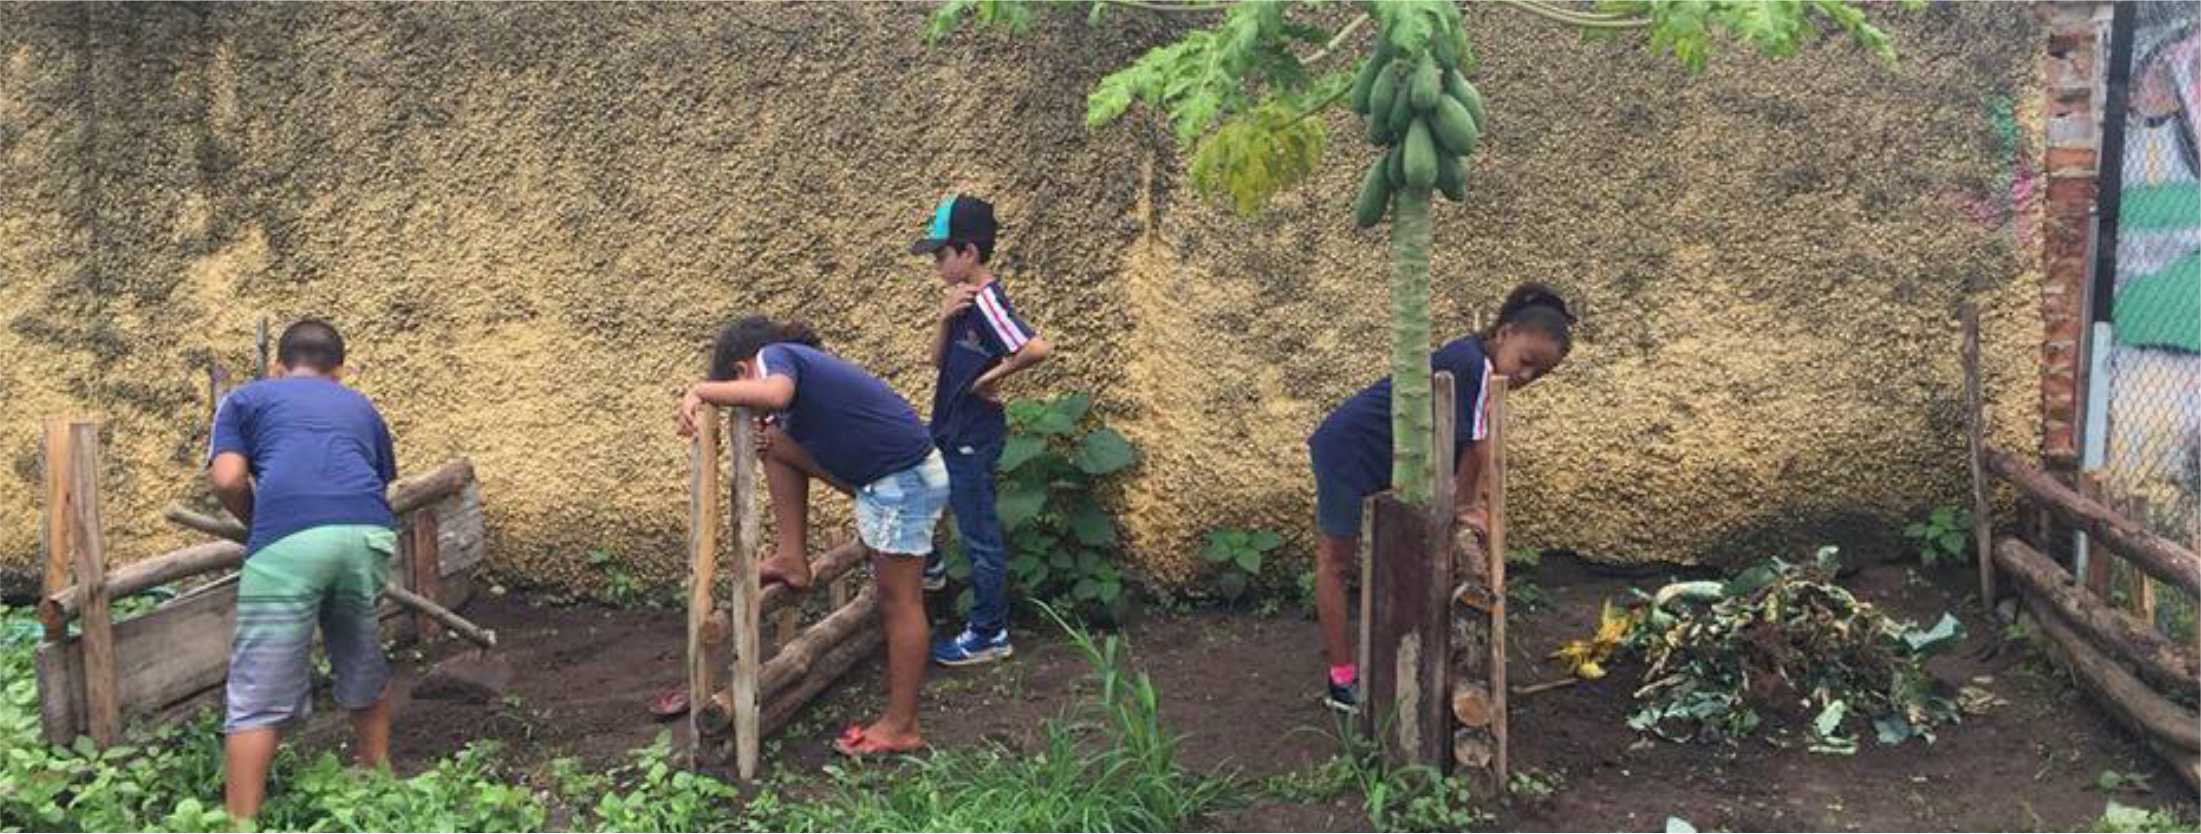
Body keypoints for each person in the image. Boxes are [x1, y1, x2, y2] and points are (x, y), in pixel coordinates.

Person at [676, 316, 950, 756]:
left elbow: (774, 393)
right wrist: (776, 440)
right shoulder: (799, 395)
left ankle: (902, 726)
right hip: (887, 481)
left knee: (900, 602)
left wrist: (701, 391)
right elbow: (820, 458)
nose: (750, 411)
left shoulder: (775, 357)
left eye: (737, 392)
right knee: (774, 443)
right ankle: (791, 558)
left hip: (903, 482)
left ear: (743, 369)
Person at [1304, 283, 1576, 714]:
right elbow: (1477, 448)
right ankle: (1340, 681)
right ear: (1504, 333)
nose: (1526, 377)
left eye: (1538, 374)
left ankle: (1404, 661)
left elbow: (1471, 444)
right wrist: (1468, 509)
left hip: (1378, 455)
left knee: (1398, 556)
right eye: (1526, 361)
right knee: (1335, 562)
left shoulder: (1478, 366)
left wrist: (1473, 501)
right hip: (1349, 450)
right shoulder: (1474, 365)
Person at [208, 319, 401, 822]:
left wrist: (260, 522)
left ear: (277, 367)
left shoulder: (245, 399)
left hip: (290, 540)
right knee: (359, 652)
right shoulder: (361, 405)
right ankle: (379, 782)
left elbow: (228, 479)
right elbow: (375, 482)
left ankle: (240, 824)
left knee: (258, 691)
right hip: (367, 534)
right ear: (338, 372)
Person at [907, 193, 1053, 666]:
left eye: (941, 255)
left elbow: (1035, 349)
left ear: (968, 253)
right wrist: (944, 317)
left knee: (978, 534)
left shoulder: (986, 299)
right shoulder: (963, 301)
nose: (936, 266)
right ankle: (931, 566)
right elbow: (936, 360)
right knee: (915, 482)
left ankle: (989, 632)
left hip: (973, 433)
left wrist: (988, 378)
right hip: (949, 427)